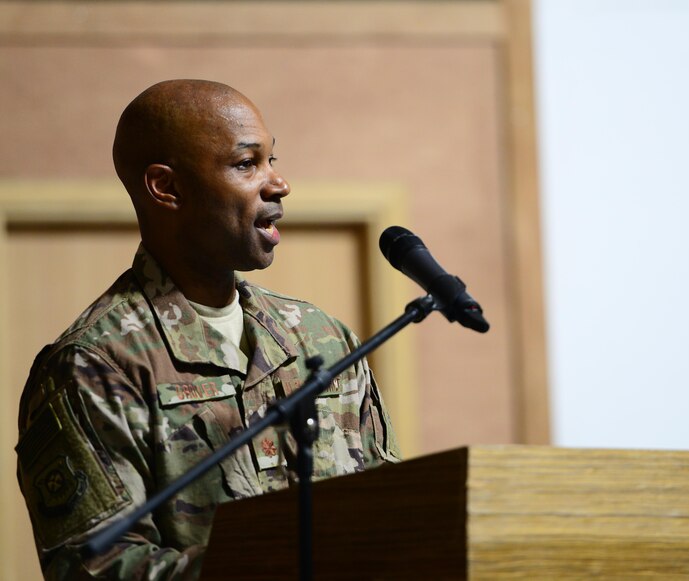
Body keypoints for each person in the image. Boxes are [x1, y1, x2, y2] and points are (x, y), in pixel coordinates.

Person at [15, 79, 401, 579]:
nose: (278, 184)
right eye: (246, 164)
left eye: (272, 160)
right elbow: (97, 567)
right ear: (166, 187)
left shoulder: (323, 339)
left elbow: (393, 512)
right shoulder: (94, 366)